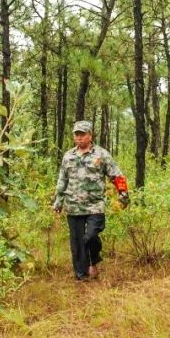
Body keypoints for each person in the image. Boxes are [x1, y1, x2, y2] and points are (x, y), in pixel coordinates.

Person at [51, 120, 129, 280]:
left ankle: (94, 259)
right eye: (76, 134)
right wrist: (58, 201)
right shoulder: (68, 156)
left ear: (90, 135)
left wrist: (123, 194)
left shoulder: (101, 154)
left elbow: (116, 175)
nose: (79, 137)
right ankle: (82, 276)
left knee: (91, 236)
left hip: (95, 206)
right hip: (73, 206)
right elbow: (62, 180)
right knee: (78, 243)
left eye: (82, 134)